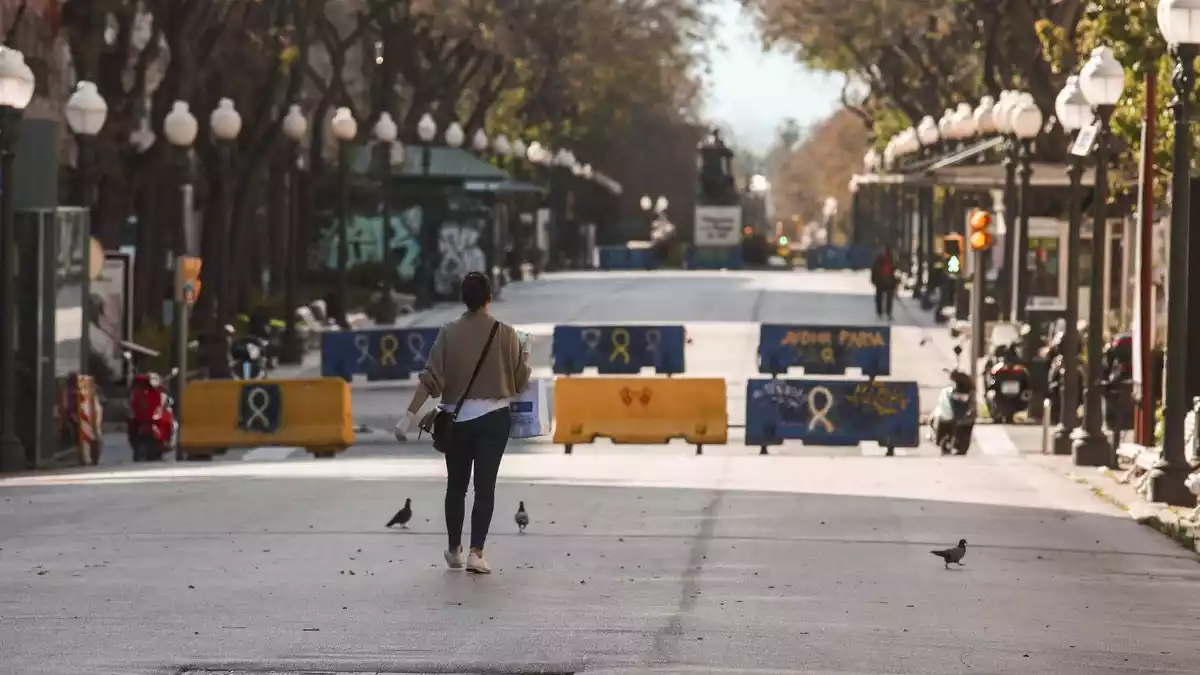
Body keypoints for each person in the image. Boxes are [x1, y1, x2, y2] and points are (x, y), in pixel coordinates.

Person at [394, 272, 531, 574]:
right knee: (485, 488)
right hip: (493, 420)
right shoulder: (506, 334)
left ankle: (454, 549)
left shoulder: (448, 333)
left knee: (456, 487)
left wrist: (408, 415)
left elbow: (430, 379)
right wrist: (526, 359)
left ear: (463, 299)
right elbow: (520, 381)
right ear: (489, 299)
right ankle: (476, 553)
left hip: (456, 422)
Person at [871, 246, 897, 320]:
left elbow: (893, 271)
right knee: (880, 297)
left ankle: (887, 313)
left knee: (888, 298)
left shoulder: (890, 261)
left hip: (888, 281)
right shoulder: (879, 260)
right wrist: (874, 279)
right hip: (880, 281)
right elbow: (874, 270)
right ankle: (880, 312)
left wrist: (894, 281)